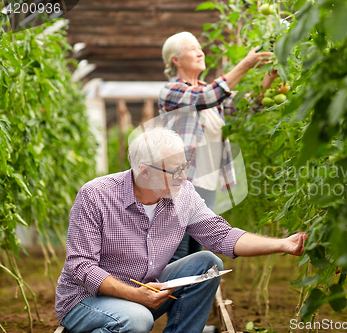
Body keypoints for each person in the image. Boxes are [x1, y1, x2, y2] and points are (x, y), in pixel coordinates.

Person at [55, 127, 307, 333]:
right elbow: (81, 267)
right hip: (85, 301)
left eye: (185, 167)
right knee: (138, 320)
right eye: (175, 171)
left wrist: (283, 244)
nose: (184, 177)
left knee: (208, 262)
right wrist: (135, 296)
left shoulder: (183, 194)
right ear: (144, 171)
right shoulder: (96, 195)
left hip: (145, 292)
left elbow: (222, 236)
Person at [159, 31, 279, 263]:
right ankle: (160, 299)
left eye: (199, 47)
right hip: (180, 185)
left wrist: (270, 76)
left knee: (195, 255)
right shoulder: (172, 92)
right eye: (193, 48)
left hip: (206, 186)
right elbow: (207, 96)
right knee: (176, 255)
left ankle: (187, 299)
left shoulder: (212, 95)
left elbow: (248, 106)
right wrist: (245, 64)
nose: (200, 51)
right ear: (176, 60)